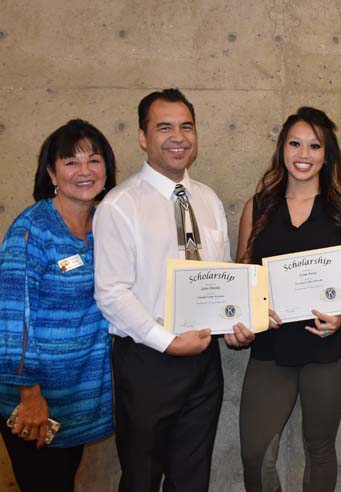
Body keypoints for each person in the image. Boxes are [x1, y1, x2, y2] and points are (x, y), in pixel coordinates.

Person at [93, 89, 236, 492]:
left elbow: (220, 277)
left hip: (204, 361)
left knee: (191, 479)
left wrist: (235, 323)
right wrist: (168, 342)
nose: (178, 136)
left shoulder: (207, 199)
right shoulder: (120, 205)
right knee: (140, 479)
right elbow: (112, 294)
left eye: (186, 126)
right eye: (164, 127)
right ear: (143, 137)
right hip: (146, 362)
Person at [230, 106, 341, 491]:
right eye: (295, 144)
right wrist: (254, 312)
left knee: (319, 446)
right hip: (271, 345)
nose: (303, 154)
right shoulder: (258, 207)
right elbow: (244, 278)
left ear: (327, 154)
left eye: (314, 146)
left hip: (329, 347)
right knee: (255, 454)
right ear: (282, 149)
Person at [0, 119, 117, 491]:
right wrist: (29, 393)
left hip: (79, 399)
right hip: (36, 404)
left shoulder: (106, 225)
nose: (85, 171)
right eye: (70, 162)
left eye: (94, 160)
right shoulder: (32, 230)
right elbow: (11, 316)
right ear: (51, 171)